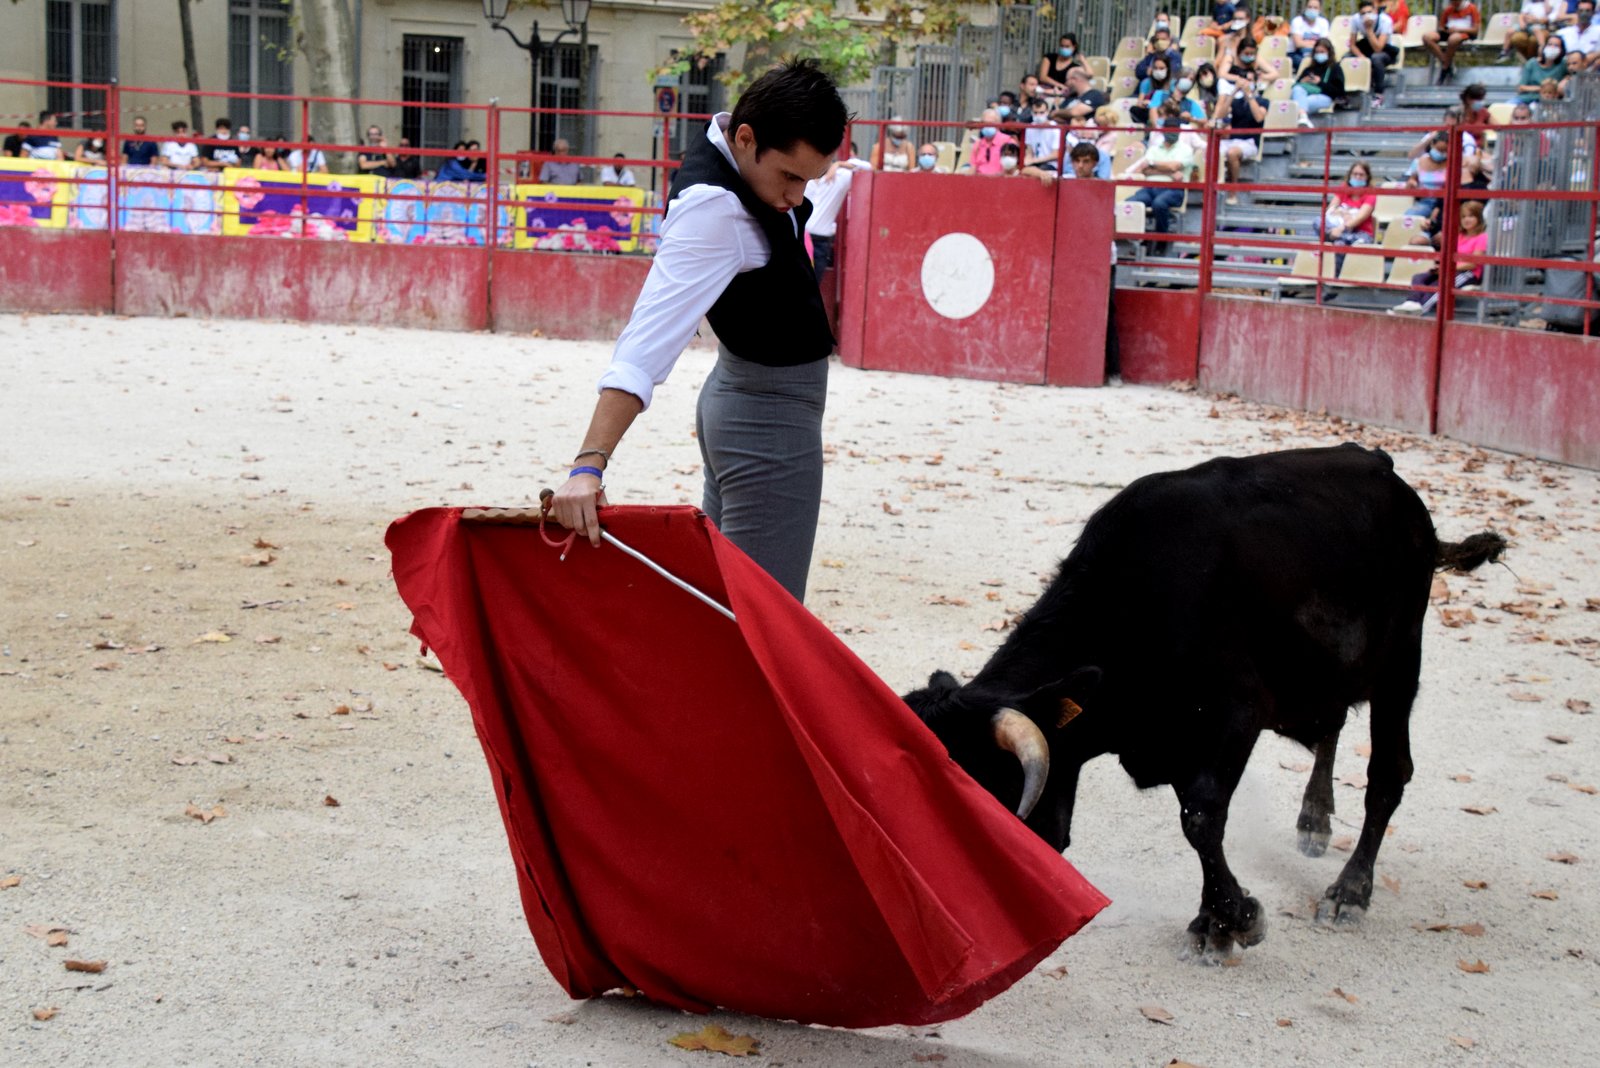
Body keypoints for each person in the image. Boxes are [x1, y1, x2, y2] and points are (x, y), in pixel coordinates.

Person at [547, 59, 848, 603]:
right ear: (747, 137)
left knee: (730, 609)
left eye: (808, 179)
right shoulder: (713, 209)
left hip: (745, 405)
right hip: (766, 424)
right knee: (762, 624)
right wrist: (588, 464)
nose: (798, 197)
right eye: (790, 176)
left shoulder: (733, 156)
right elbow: (649, 337)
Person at [1390, 201, 1487, 315]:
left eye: (1471, 216)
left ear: (1479, 218)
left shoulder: (1482, 237)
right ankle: (1411, 304)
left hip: (1468, 273)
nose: (1466, 220)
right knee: (1419, 277)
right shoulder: (1458, 236)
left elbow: (1473, 263)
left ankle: (1419, 312)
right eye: (1463, 217)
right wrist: (1441, 268)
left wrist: (1448, 268)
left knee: (1438, 286)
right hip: (1452, 269)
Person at [803, 149, 868, 283]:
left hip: (820, 242)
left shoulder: (839, 177)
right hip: (799, 239)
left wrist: (839, 164)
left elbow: (867, 167)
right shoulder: (802, 177)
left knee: (812, 285)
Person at [1126, 117, 1195, 240]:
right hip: (1150, 188)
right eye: (1170, 130)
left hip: (1174, 189)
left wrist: (1152, 164)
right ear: (1163, 131)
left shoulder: (1186, 149)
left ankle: (1161, 239)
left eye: (1176, 130)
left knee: (1159, 203)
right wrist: (1168, 172)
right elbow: (1144, 170)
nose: (1173, 133)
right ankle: (1135, 240)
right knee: (1130, 203)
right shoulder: (1154, 149)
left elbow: (1174, 166)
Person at [1215, 73, 1266, 205]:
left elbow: (1259, 117)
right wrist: (1233, 93)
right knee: (1209, 149)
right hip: (1231, 140)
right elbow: (1220, 115)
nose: (1245, 84)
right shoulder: (1236, 102)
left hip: (1250, 142)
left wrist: (1249, 95)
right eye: (1243, 81)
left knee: (1232, 153)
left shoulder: (1263, 101)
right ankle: (1211, 188)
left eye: (1249, 80)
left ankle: (1233, 190)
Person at [1350, 0, 1399, 104]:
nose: (1366, 16)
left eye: (1369, 12)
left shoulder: (1385, 21)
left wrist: (1369, 30)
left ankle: (1378, 94)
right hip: (1366, 48)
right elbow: (1352, 44)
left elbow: (1378, 48)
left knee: (1377, 58)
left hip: (1385, 51)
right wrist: (1361, 57)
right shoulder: (1355, 19)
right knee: (1346, 58)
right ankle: (1345, 94)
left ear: (1375, 11)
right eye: (1363, 13)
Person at [1323, 160, 1378, 249]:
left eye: (1361, 175)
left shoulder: (1371, 193)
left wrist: (1341, 227)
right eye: (1355, 174)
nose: (1357, 177)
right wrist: (1346, 213)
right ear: (1350, 175)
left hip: (1361, 232)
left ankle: (1334, 235)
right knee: (1318, 222)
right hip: (1337, 227)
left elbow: (1359, 218)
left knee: (1339, 244)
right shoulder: (1343, 187)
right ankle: (1334, 235)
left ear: (1367, 177)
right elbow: (1330, 210)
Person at [1424, 0, 1481, 83]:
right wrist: (1447, 30)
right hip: (1449, 32)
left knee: (1453, 39)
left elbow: (1475, 30)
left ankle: (1445, 67)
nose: (1453, 3)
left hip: (1465, 32)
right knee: (1427, 37)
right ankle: (1446, 61)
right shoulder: (1448, 9)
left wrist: (1459, 29)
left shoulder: (1471, 8)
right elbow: (1442, 26)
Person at [1403, 132, 1452, 227]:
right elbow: (1412, 179)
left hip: (1445, 202)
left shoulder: (1452, 163)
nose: (1441, 153)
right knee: (1408, 218)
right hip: (1425, 201)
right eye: (1439, 150)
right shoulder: (1419, 161)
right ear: (1432, 145)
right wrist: (1412, 183)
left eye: (1445, 151)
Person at [1293, 39, 1346, 115]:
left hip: (1324, 96)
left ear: (1329, 53)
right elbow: (1296, 87)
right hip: (1306, 95)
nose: (1319, 54)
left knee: (1300, 104)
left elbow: (1339, 92)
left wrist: (1320, 83)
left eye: (1322, 52)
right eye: (1317, 52)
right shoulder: (1309, 69)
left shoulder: (1335, 68)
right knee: (1297, 89)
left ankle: (1301, 116)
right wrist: (1302, 81)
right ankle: (1303, 117)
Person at [964, 109, 1017, 175]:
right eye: (985, 123)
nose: (987, 126)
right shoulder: (978, 144)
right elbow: (972, 169)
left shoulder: (1008, 142)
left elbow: (1010, 171)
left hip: (999, 182)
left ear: (998, 124)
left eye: (991, 123)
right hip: (979, 181)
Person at [1290, 0, 1332, 69]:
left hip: (1315, 54)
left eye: (1315, 8)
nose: (1312, 10)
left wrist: (1305, 43)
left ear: (1320, 9)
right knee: (1306, 64)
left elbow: (1323, 44)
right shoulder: (1297, 21)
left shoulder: (1323, 22)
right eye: (1309, 7)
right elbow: (1298, 44)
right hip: (1296, 54)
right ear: (1305, 8)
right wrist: (1315, 43)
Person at [1558, 0, 1600, 69]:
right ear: (1576, 12)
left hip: (1591, 70)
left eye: (1587, 11)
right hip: (1566, 69)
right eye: (1581, 10)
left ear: (1593, 13)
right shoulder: (1563, 33)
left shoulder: (1598, 31)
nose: (1584, 13)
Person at [1023, 99, 1063, 171]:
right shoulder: (1030, 128)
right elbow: (1029, 150)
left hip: (1051, 165)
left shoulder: (1055, 128)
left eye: (1041, 113)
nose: (1038, 116)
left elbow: (1056, 154)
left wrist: (1034, 160)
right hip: (1034, 164)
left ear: (1047, 112)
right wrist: (1026, 161)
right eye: (1035, 113)